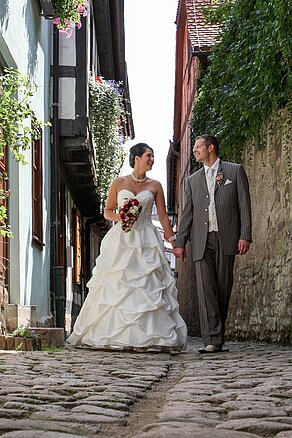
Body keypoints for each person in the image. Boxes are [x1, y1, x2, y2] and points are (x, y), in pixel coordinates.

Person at [67, 143, 188, 353]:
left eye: (153, 156)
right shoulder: (119, 182)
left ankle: (147, 338)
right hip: (122, 239)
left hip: (147, 240)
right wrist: (121, 219)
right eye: (149, 155)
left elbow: (161, 215)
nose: (152, 159)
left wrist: (173, 242)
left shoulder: (156, 185)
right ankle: (115, 335)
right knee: (119, 284)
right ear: (137, 158)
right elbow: (107, 211)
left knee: (147, 287)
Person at [173, 134, 252, 354]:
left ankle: (217, 334)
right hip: (200, 240)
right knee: (205, 288)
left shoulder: (234, 171)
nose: (195, 150)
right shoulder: (192, 180)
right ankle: (213, 340)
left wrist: (245, 235)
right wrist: (180, 242)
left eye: (198, 147)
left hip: (226, 237)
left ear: (211, 148)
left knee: (223, 287)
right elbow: (187, 214)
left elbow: (244, 206)